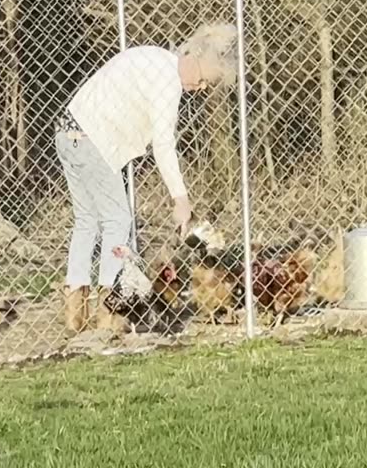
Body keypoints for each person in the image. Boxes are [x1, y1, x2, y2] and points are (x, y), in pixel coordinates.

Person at [55, 23, 238, 333]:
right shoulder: (168, 83)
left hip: (66, 131)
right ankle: (111, 310)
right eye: (205, 81)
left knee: (86, 221)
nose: (202, 89)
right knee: (118, 221)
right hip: (92, 139)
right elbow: (163, 143)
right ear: (195, 59)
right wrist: (181, 199)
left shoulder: (153, 57)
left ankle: (76, 311)